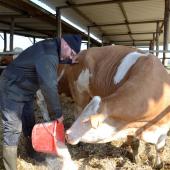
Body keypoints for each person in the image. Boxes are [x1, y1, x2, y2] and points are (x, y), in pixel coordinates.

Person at [0, 34, 82, 170]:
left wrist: (70, 61)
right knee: (13, 128)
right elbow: (48, 86)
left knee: (28, 120)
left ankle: (31, 152)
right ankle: (10, 167)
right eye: (72, 53)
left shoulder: (53, 47)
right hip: (12, 87)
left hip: (25, 89)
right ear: (65, 44)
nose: (71, 57)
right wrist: (57, 114)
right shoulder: (48, 55)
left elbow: (60, 57)